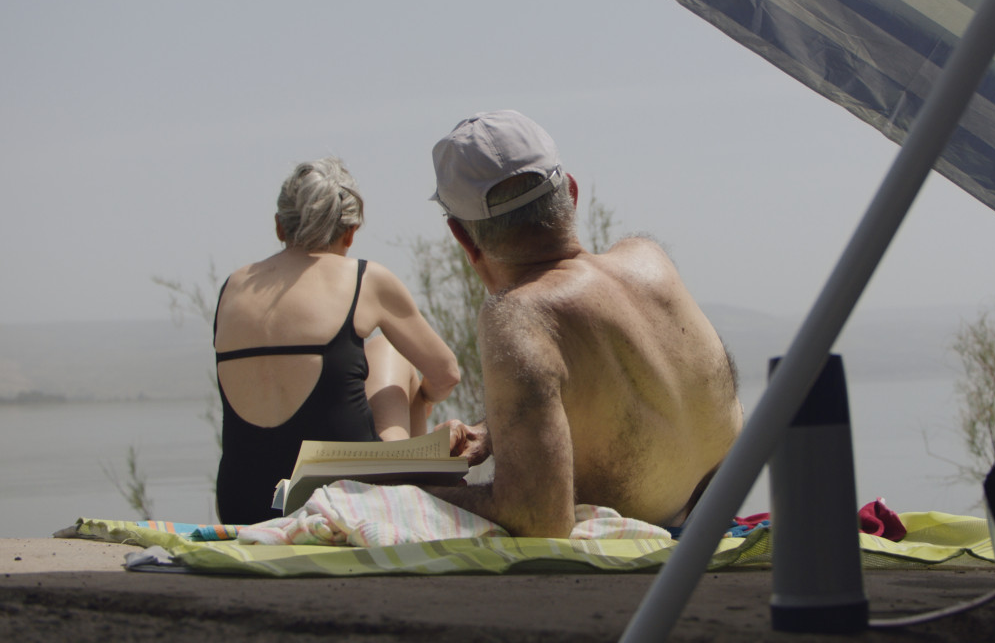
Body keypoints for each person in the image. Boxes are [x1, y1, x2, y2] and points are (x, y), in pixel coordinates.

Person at [426, 111, 743, 537]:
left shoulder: (519, 315)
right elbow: (621, 395)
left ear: (462, 238)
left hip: (651, 553)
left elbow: (539, 516)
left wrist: (418, 490)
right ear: (571, 193)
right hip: (718, 525)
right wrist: (496, 430)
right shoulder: (649, 259)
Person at [213, 157, 460, 524]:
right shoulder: (364, 278)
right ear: (350, 233)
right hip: (344, 503)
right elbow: (447, 374)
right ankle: (406, 495)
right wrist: (422, 399)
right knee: (390, 351)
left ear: (279, 226)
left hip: (242, 506)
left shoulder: (233, 287)